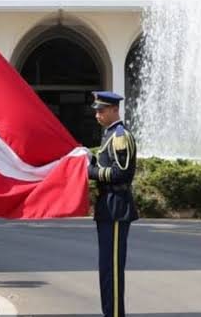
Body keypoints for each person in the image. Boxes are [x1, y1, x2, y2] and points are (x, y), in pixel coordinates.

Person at [87, 91, 138, 317]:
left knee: (112, 270)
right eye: (96, 110)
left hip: (116, 206)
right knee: (106, 269)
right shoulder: (108, 134)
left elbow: (121, 173)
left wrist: (91, 171)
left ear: (114, 110)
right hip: (107, 205)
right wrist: (89, 160)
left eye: (102, 110)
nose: (97, 114)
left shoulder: (119, 136)